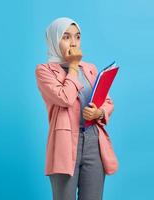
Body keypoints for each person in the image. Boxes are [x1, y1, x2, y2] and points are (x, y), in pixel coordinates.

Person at [35, 17, 119, 200]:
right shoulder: (44, 70)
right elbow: (64, 98)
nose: (73, 42)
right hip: (64, 142)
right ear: (54, 40)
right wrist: (73, 66)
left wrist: (99, 112)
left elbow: (107, 101)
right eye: (66, 37)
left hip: (93, 140)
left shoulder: (89, 68)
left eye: (77, 37)